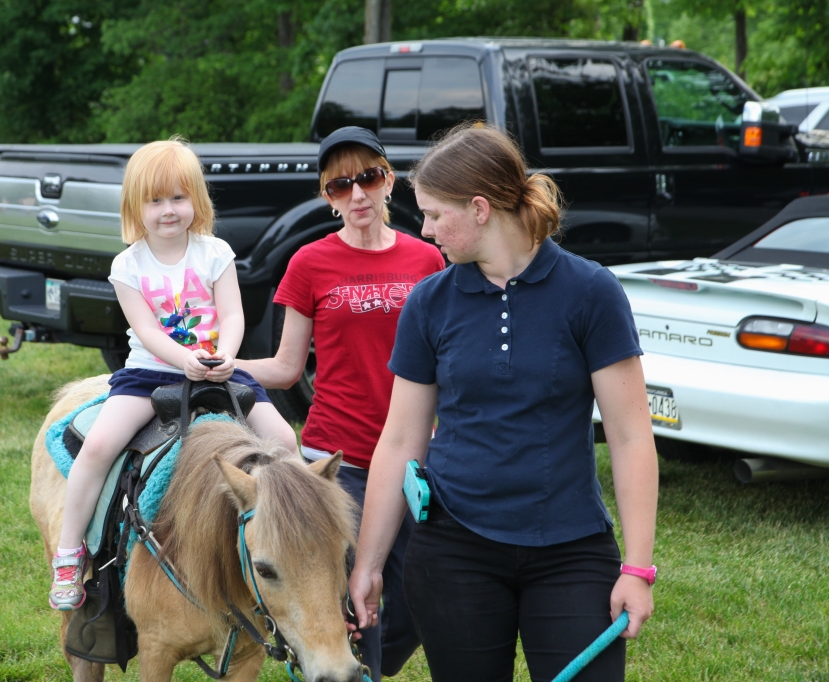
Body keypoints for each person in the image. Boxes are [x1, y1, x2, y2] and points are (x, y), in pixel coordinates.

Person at [348, 124, 659, 681]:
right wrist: (369, 566)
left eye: (436, 215)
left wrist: (636, 568)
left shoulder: (591, 293)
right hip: (453, 551)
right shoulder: (430, 302)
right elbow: (399, 440)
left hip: (571, 548)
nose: (426, 230)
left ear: (480, 208)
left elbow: (632, 437)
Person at [49, 138, 299, 611]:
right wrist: (181, 359)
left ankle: (299, 543)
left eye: (178, 198)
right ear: (135, 207)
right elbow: (144, 328)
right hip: (150, 372)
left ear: (196, 201)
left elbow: (233, 315)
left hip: (218, 369)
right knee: (100, 446)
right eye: (156, 200)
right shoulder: (128, 265)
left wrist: (225, 355)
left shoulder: (214, 252)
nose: (168, 210)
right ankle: (69, 551)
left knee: (286, 440)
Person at [236, 126, 445, 681]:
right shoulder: (309, 263)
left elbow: (446, 359)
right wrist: (218, 365)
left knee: (426, 593)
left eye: (368, 179)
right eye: (339, 186)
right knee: (356, 601)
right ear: (327, 196)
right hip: (337, 465)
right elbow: (284, 367)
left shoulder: (428, 261)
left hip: (416, 458)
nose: (357, 195)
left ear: (388, 181)